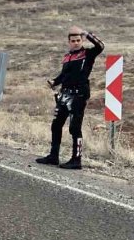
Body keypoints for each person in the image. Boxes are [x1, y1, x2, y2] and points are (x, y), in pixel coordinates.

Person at [36, 26, 104, 169]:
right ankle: (53, 156)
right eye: (73, 41)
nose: (76, 43)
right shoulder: (67, 57)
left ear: (82, 40)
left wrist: (88, 34)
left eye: (78, 40)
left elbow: (101, 46)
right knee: (56, 125)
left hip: (79, 95)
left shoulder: (88, 54)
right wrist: (55, 81)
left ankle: (76, 160)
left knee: (74, 128)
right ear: (69, 42)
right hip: (64, 95)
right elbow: (64, 75)